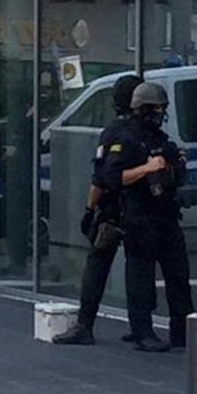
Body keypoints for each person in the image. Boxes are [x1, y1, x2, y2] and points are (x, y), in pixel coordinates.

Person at [103, 82, 195, 352]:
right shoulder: (126, 138)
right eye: (156, 109)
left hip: (165, 213)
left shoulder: (159, 138)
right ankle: (142, 331)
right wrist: (146, 168)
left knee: (178, 274)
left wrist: (175, 163)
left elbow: (172, 171)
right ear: (142, 109)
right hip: (139, 214)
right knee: (140, 276)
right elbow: (113, 178)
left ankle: (184, 330)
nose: (159, 115)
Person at [53, 74, 143, 345]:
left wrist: (89, 209)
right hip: (142, 210)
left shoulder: (115, 132)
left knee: (98, 264)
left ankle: (85, 325)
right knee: (139, 269)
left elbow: (102, 178)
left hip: (113, 210)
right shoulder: (148, 131)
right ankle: (141, 327)